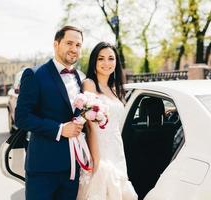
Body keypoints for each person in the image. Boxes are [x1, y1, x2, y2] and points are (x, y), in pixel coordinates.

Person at [15, 25, 85, 200]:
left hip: (72, 169)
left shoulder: (78, 77)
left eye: (78, 45)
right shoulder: (35, 74)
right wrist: (60, 129)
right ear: (56, 44)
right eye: (69, 43)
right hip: (43, 169)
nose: (74, 49)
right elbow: (22, 118)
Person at [77, 42, 138, 200]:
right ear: (94, 62)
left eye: (111, 58)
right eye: (101, 59)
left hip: (116, 149)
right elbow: (90, 128)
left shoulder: (114, 88)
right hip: (100, 150)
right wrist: (97, 160)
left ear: (116, 62)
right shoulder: (89, 84)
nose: (106, 63)